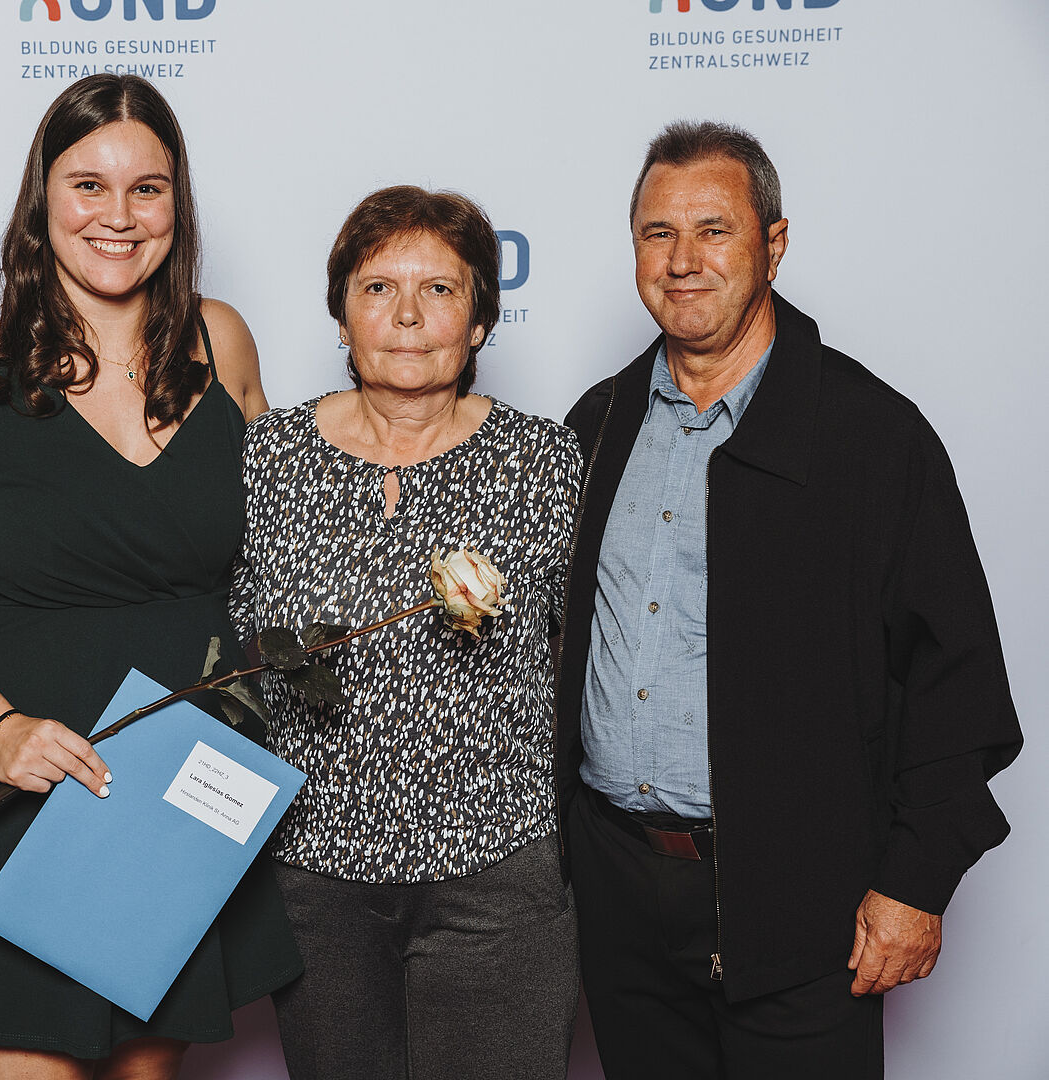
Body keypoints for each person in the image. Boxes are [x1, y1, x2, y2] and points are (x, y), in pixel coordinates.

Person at [557, 120, 1022, 1080]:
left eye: (714, 230)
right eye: (657, 233)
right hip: (619, 899)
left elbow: (959, 684)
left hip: (806, 910)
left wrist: (915, 882)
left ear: (773, 244)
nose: (682, 261)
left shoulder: (871, 437)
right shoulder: (599, 422)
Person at [0, 73, 298, 1080]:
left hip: (177, 792)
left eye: (147, 189)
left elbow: (279, 544)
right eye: (88, 186)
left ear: (178, 204)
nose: (118, 217)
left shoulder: (223, 342)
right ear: (41, 201)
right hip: (22, 789)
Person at [230, 186, 583, 1080]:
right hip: (316, 872)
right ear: (342, 315)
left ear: (480, 319)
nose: (409, 316)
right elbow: (218, 632)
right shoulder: (268, 457)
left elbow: (592, 655)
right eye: (379, 287)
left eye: (440, 289)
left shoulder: (543, 460)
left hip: (496, 874)